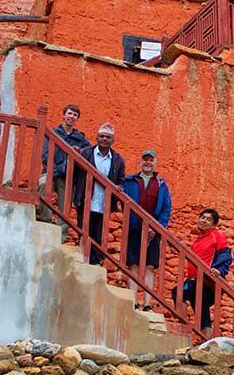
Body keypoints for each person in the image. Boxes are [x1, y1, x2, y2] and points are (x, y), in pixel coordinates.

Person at [122, 150, 172, 311]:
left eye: (151, 160)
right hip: (134, 227)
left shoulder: (161, 185)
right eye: (145, 160)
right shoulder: (130, 181)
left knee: (150, 266)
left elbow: (166, 208)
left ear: (155, 163)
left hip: (153, 230)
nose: (148, 163)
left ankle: (148, 303)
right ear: (141, 162)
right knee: (133, 265)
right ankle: (133, 301)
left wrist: (157, 228)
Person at [72, 122, 125, 265]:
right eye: (102, 136)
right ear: (97, 138)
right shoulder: (85, 153)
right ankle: (83, 258)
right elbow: (75, 172)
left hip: (103, 203)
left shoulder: (118, 160)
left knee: (98, 233)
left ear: (113, 140)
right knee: (83, 229)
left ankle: (95, 261)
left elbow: (121, 178)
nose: (104, 139)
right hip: (85, 199)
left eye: (108, 137)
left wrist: (119, 186)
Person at [174, 208, 229, 338]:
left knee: (177, 292)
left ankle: (183, 330)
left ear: (214, 225)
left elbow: (226, 254)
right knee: (202, 311)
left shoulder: (216, 236)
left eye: (208, 219)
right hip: (196, 282)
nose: (204, 221)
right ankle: (207, 342)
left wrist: (219, 270)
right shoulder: (197, 241)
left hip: (207, 282)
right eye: (202, 218)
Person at [37, 104, 90, 239]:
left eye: (75, 115)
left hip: (69, 178)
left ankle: (60, 237)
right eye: (70, 113)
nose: (71, 117)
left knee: (65, 207)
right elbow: (45, 156)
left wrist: (79, 152)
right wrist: (61, 169)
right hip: (52, 173)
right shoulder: (53, 134)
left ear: (77, 119)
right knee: (43, 184)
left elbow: (87, 155)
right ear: (64, 115)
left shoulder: (80, 139)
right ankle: (46, 221)